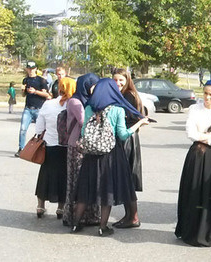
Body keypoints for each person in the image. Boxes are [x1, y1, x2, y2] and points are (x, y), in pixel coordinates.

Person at [71, 78, 148, 236]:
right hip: (111, 155)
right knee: (107, 191)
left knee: (85, 190)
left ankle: (75, 224)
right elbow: (122, 134)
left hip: (91, 155)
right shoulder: (117, 109)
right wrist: (139, 124)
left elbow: (84, 131)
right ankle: (103, 227)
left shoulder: (89, 108)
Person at [175, 79, 211, 247]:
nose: (207, 97)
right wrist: (208, 137)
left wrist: (203, 136)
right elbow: (191, 133)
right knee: (193, 192)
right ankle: (190, 230)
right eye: (205, 93)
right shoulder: (194, 109)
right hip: (197, 157)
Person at [34, 77, 76, 219]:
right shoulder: (74, 104)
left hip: (50, 145)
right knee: (64, 176)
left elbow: (39, 127)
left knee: (45, 174)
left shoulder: (48, 104)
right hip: (67, 146)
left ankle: (40, 206)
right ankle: (60, 208)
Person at [63, 73, 101, 227]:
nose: (95, 89)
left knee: (90, 182)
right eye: (93, 85)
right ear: (85, 85)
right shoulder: (75, 101)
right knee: (77, 182)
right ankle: (73, 216)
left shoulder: (90, 101)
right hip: (77, 146)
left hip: (89, 146)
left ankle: (90, 216)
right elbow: (83, 120)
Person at [112, 68, 144, 228]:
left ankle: (133, 217)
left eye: (121, 80)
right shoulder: (124, 94)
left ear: (127, 80)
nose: (118, 83)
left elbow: (127, 119)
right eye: (115, 80)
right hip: (127, 138)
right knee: (126, 180)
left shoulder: (128, 95)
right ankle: (129, 215)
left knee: (127, 179)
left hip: (128, 140)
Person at [15, 61, 51, 157]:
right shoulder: (25, 80)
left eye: (32, 68)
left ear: (35, 69)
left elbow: (47, 95)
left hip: (38, 108)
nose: (30, 70)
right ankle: (21, 148)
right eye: (29, 68)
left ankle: (42, 149)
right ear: (27, 69)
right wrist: (23, 91)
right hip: (28, 108)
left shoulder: (41, 80)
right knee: (23, 129)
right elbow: (24, 95)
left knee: (41, 130)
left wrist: (35, 91)